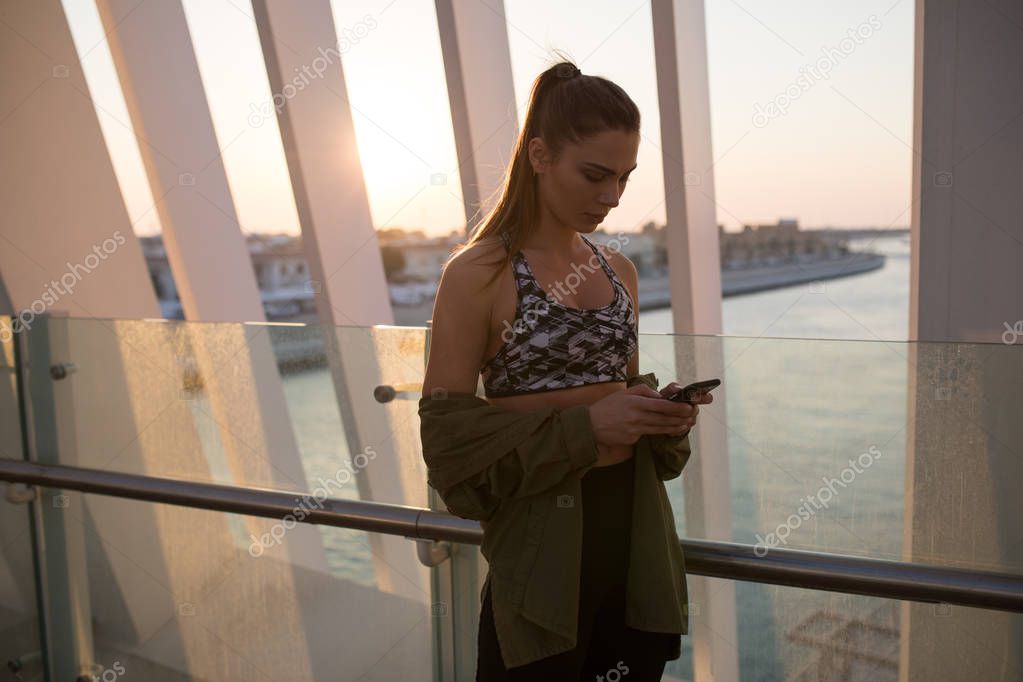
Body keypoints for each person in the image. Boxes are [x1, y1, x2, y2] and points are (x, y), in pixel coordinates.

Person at [421, 56, 712, 681]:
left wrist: (663, 416)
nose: (612, 198)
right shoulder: (479, 273)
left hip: (638, 555)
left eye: (626, 178)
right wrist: (591, 427)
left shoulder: (619, 270)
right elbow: (449, 453)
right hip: (540, 560)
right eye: (595, 175)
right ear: (539, 156)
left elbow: (623, 401)